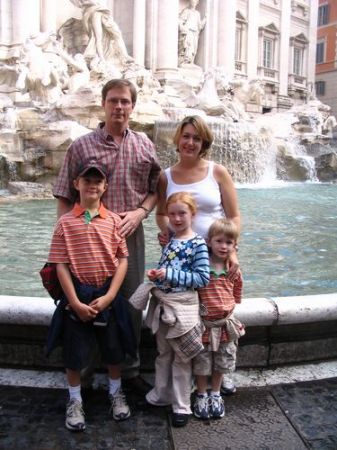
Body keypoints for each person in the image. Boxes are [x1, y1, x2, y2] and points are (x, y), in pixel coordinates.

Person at [53, 78, 161, 395]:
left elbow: (156, 190)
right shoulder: (81, 146)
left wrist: (142, 212)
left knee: (129, 304)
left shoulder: (144, 144)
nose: (119, 106)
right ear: (103, 104)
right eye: (113, 100)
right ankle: (83, 375)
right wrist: (64, 239)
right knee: (84, 300)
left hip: (129, 232)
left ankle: (128, 372)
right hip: (86, 236)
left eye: (125, 101)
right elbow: (63, 195)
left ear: (132, 106)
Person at [156, 114, 241, 395]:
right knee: (194, 319)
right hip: (185, 262)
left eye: (197, 138)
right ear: (178, 139)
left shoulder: (217, 171)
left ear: (203, 142)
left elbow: (234, 216)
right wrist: (169, 234)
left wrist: (233, 252)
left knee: (220, 313)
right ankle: (197, 378)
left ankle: (222, 371)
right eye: (186, 136)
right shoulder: (165, 176)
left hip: (218, 258)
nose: (190, 142)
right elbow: (159, 214)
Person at [47, 161, 133, 431]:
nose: (92, 185)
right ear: (76, 184)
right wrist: (73, 301)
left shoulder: (113, 221)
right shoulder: (65, 222)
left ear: (105, 186)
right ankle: (74, 400)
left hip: (105, 293)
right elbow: (59, 264)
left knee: (113, 348)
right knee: (73, 351)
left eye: (98, 181)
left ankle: (116, 392)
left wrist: (110, 296)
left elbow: (122, 260)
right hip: (78, 293)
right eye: (87, 180)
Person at [129, 192, 209, 427]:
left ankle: (181, 405)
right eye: (172, 214)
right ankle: (160, 395)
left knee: (182, 358)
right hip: (165, 306)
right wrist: (157, 274)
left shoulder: (198, 244)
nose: (176, 218)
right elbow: (168, 269)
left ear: (192, 215)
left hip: (183, 308)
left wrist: (170, 275)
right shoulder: (170, 241)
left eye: (181, 213)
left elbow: (203, 278)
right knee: (163, 354)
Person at [193, 219, 244, 420]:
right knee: (202, 362)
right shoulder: (203, 267)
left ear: (235, 246)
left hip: (224, 325)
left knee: (222, 361)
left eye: (229, 243)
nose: (223, 246)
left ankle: (215, 393)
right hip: (204, 325)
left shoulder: (233, 269)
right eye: (219, 241)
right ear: (209, 241)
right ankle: (201, 394)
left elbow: (237, 292)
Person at [69, 0, 132, 67]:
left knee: (117, 33)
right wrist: (92, 3)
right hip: (94, 11)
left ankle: (125, 55)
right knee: (97, 36)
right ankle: (101, 58)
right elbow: (80, 3)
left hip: (102, 11)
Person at [178, 0, 206, 66]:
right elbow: (180, 20)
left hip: (195, 33)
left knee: (193, 49)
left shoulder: (197, 13)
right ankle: (185, 62)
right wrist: (183, 27)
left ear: (197, 3)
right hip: (188, 32)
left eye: (195, 1)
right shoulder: (186, 11)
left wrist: (205, 19)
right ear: (190, 2)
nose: (193, 2)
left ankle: (191, 62)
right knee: (187, 47)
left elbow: (200, 26)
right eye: (192, 1)